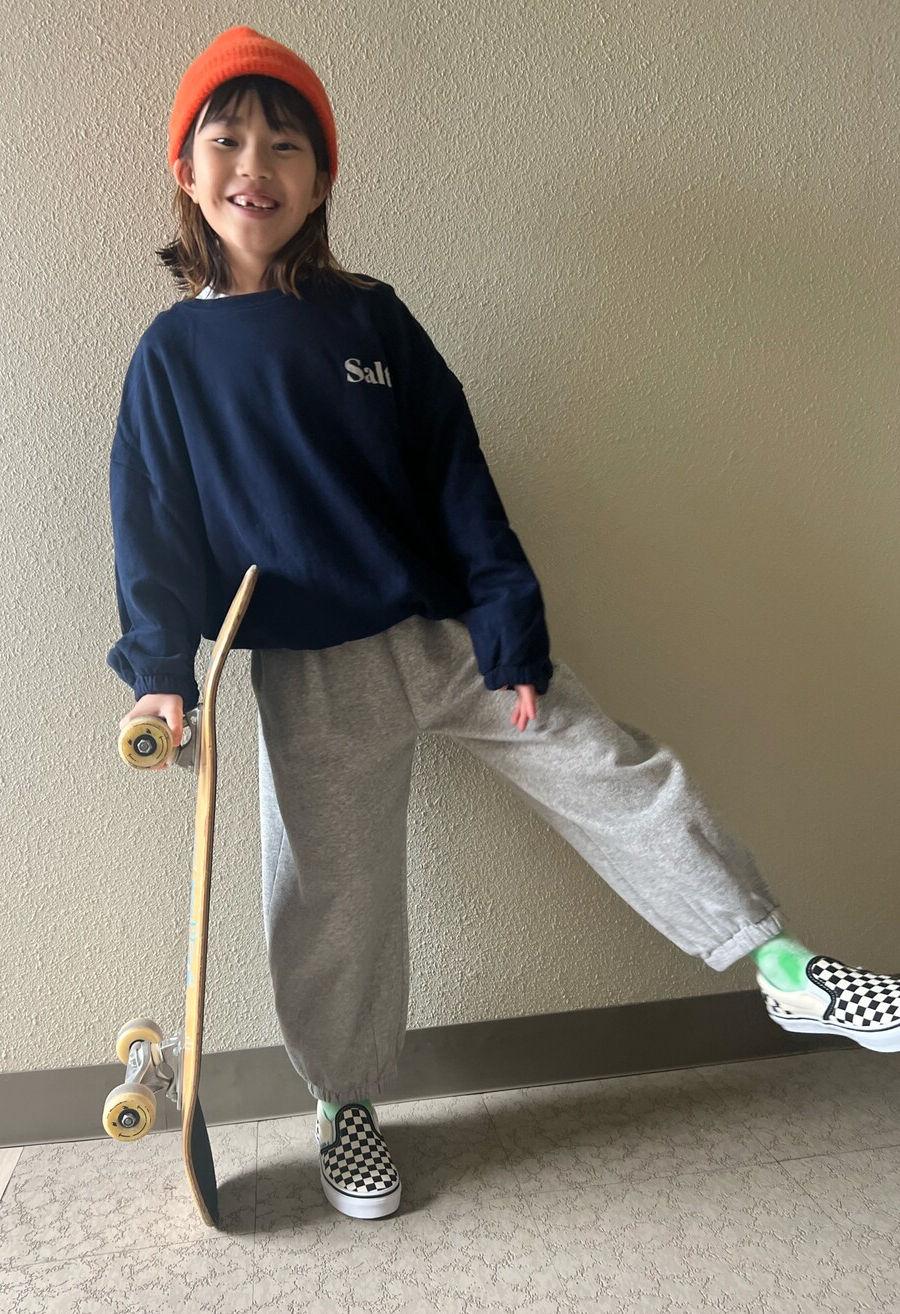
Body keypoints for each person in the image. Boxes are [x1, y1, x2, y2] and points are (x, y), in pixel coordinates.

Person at [107, 25, 900, 1222]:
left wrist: (508, 620)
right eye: (226, 140)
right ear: (186, 169)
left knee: (614, 770)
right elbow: (152, 527)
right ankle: (345, 1104)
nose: (254, 164)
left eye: (285, 143)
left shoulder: (372, 320)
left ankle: (782, 965)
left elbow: (458, 477)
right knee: (332, 900)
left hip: (450, 639)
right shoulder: (172, 354)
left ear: (320, 180)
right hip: (311, 672)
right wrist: (160, 673)